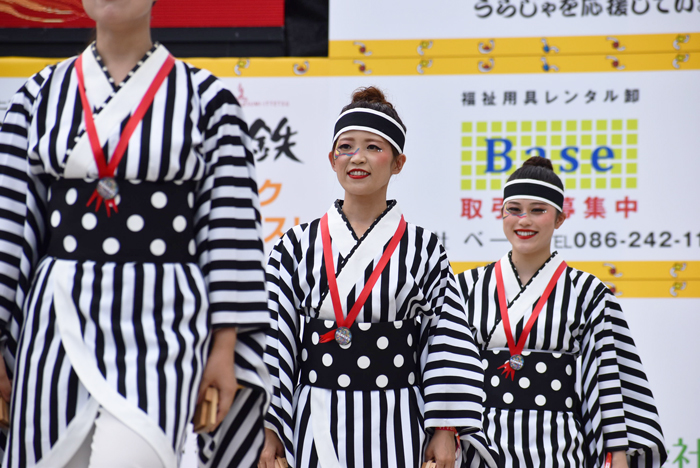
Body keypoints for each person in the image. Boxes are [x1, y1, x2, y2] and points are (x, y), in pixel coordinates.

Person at [0, 0, 270, 466]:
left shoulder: (208, 99)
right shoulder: (38, 95)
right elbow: (8, 223)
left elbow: (231, 227)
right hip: (57, 319)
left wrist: (224, 346)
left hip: (163, 323)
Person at [257, 87, 498, 468]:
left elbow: (447, 340)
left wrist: (445, 429)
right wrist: (270, 428)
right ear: (331, 159)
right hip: (315, 413)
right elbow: (273, 339)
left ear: (398, 162)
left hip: (399, 418)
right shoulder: (295, 245)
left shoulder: (422, 248)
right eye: (346, 146)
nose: (357, 158)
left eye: (373, 147)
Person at [456, 156, 667, 468]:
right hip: (481, 445)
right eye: (514, 210)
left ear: (559, 219)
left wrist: (618, 454)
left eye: (537, 210)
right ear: (501, 214)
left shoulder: (589, 292)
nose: (523, 220)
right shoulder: (466, 287)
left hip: (559, 447)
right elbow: (445, 371)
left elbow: (609, 376)